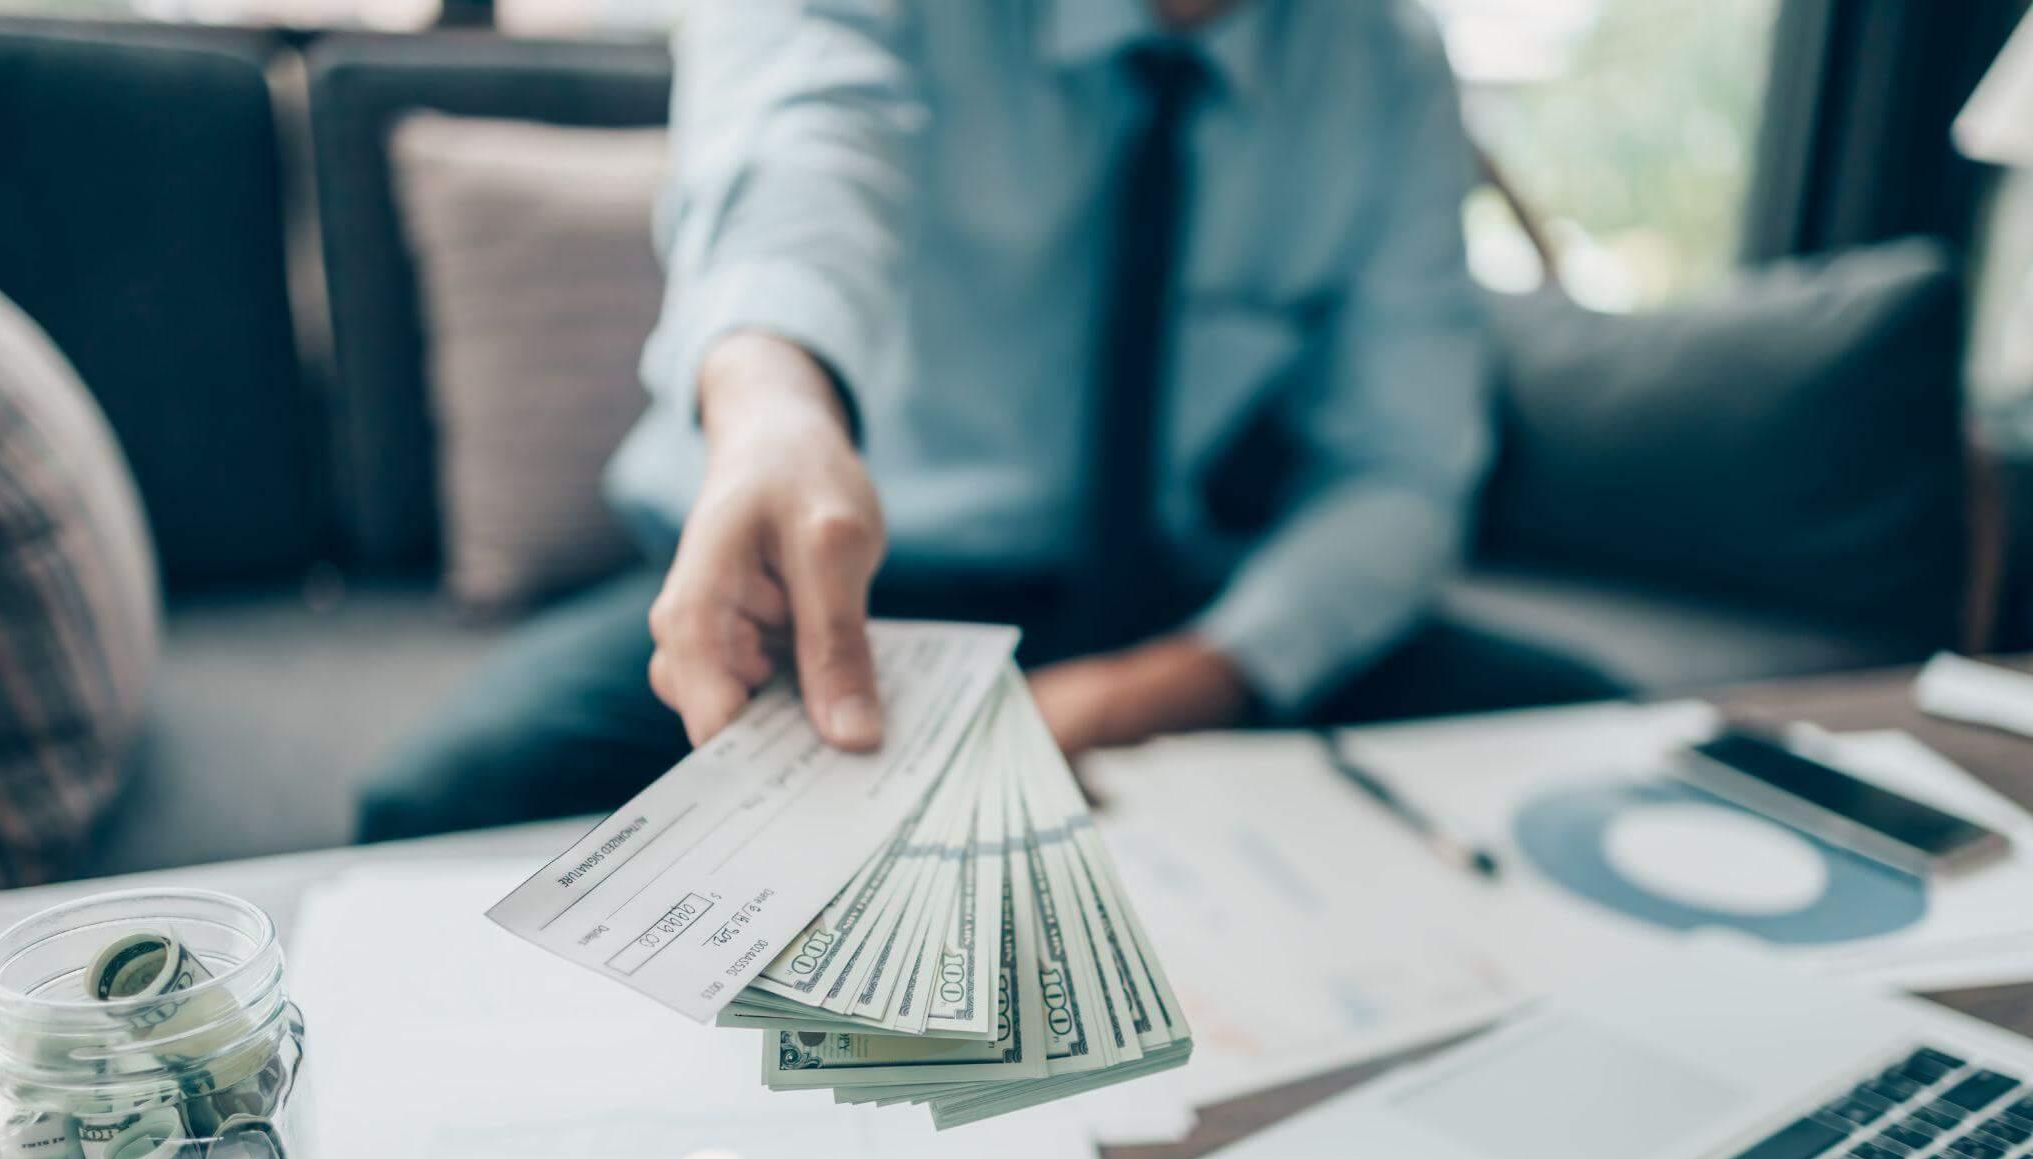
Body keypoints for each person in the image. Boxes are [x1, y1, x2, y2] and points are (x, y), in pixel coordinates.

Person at [356, 0, 1616, 844]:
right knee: (443, 802)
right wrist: (774, 406)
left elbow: (1400, 469)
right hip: (828, 594)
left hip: (1171, 608)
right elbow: (800, 153)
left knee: (1600, 733)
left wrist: (1177, 685)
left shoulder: (1382, 63)